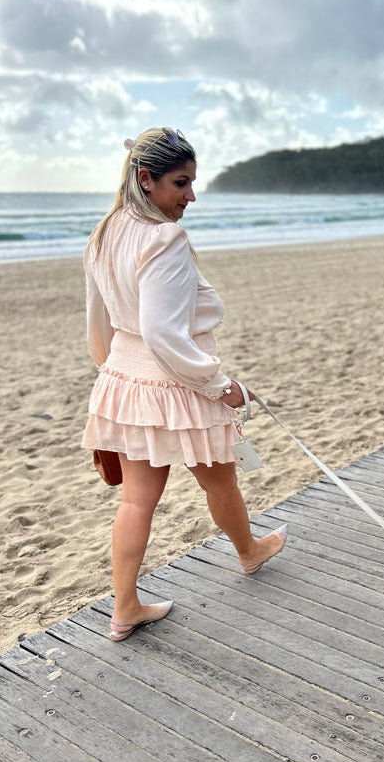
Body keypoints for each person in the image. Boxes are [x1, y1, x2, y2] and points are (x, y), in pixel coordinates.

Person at [82, 127, 287, 642]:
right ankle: (249, 551)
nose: (190, 196)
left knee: (135, 500)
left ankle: (125, 606)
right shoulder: (164, 238)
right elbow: (164, 336)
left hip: (125, 381)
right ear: (146, 179)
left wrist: (116, 377)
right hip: (176, 386)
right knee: (220, 482)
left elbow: (98, 325)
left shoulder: (105, 231)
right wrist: (223, 385)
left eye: (193, 183)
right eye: (181, 183)